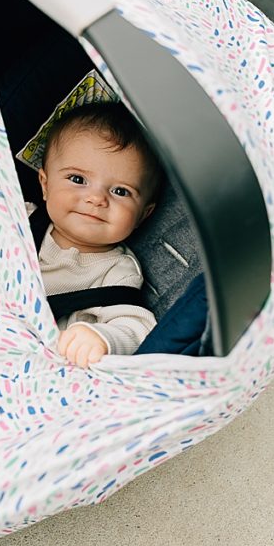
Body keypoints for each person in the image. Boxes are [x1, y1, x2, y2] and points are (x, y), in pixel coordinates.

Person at [35, 102, 162, 368]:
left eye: (120, 191)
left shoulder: (117, 273)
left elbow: (138, 326)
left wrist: (101, 338)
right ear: (45, 185)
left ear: (143, 214)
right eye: (78, 180)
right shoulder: (17, 219)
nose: (96, 199)